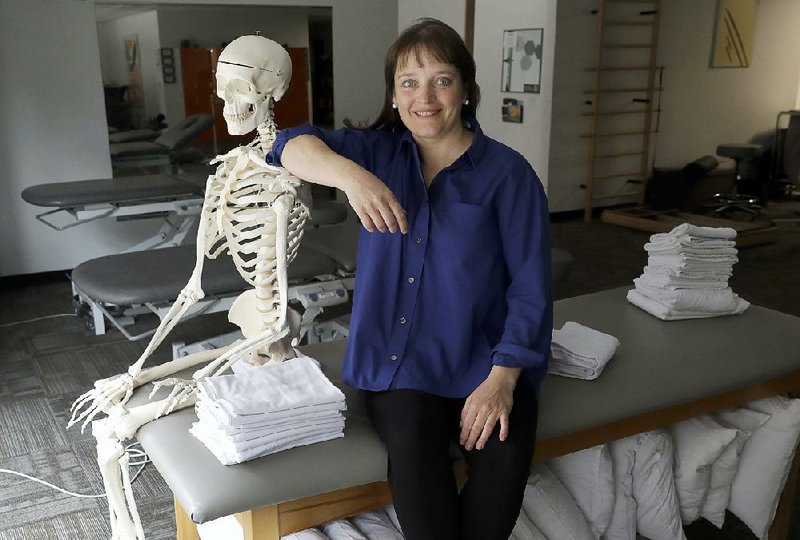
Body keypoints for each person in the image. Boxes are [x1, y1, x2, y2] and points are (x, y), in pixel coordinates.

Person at [268, 18, 552, 540]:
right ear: (394, 95)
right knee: (419, 473)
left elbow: (531, 288)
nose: (426, 96)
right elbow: (287, 143)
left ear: (466, 90)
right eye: (409, 82)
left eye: (442, 80)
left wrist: (503, 381)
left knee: (503, 474)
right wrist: (353, 179)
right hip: (398, 367)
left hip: (486, 362)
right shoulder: (376, 153)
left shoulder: (509, 175)